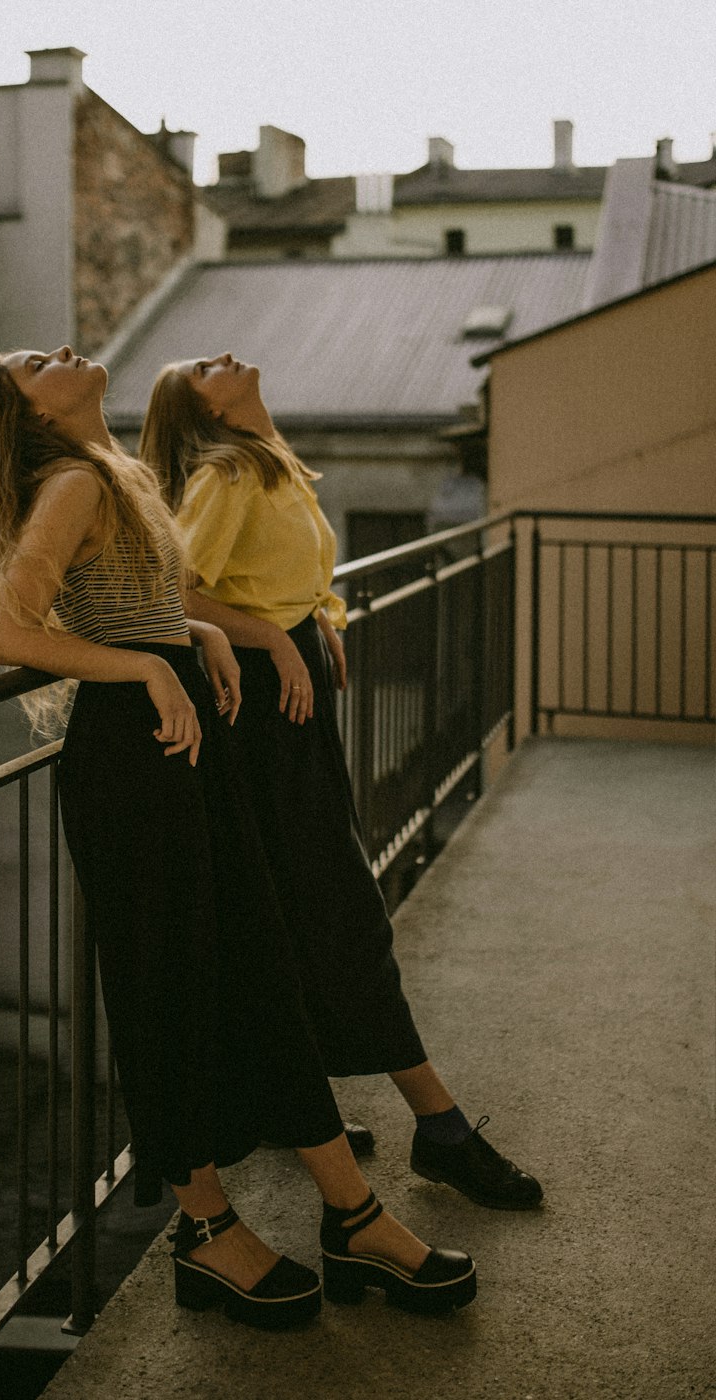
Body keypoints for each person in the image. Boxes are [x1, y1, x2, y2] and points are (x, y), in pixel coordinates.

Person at [0, 344, 477, 1331]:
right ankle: (210, 1230)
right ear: (30, 416)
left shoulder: (122, 474)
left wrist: (205, 635)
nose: (57, 350)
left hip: (185, 741)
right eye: (31, 364)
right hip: (132, 756)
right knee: (169, 985)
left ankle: (348, 1213)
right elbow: (12, 634)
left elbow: (151, 603)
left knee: (256, 968)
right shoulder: (65, 483)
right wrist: (146, 670)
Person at [139, 352, 543, 1213]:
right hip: (255, 716)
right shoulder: (226, 471)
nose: (226, 357)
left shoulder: (273, 460)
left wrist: (322, 622)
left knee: (293, 908)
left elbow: (299, 572)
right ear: (199, 411)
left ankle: (293, 1105)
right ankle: (442, 1130)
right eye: (204, 367)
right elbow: (175, 595)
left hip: (292, 705)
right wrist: (278, 640)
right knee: (341, 911)